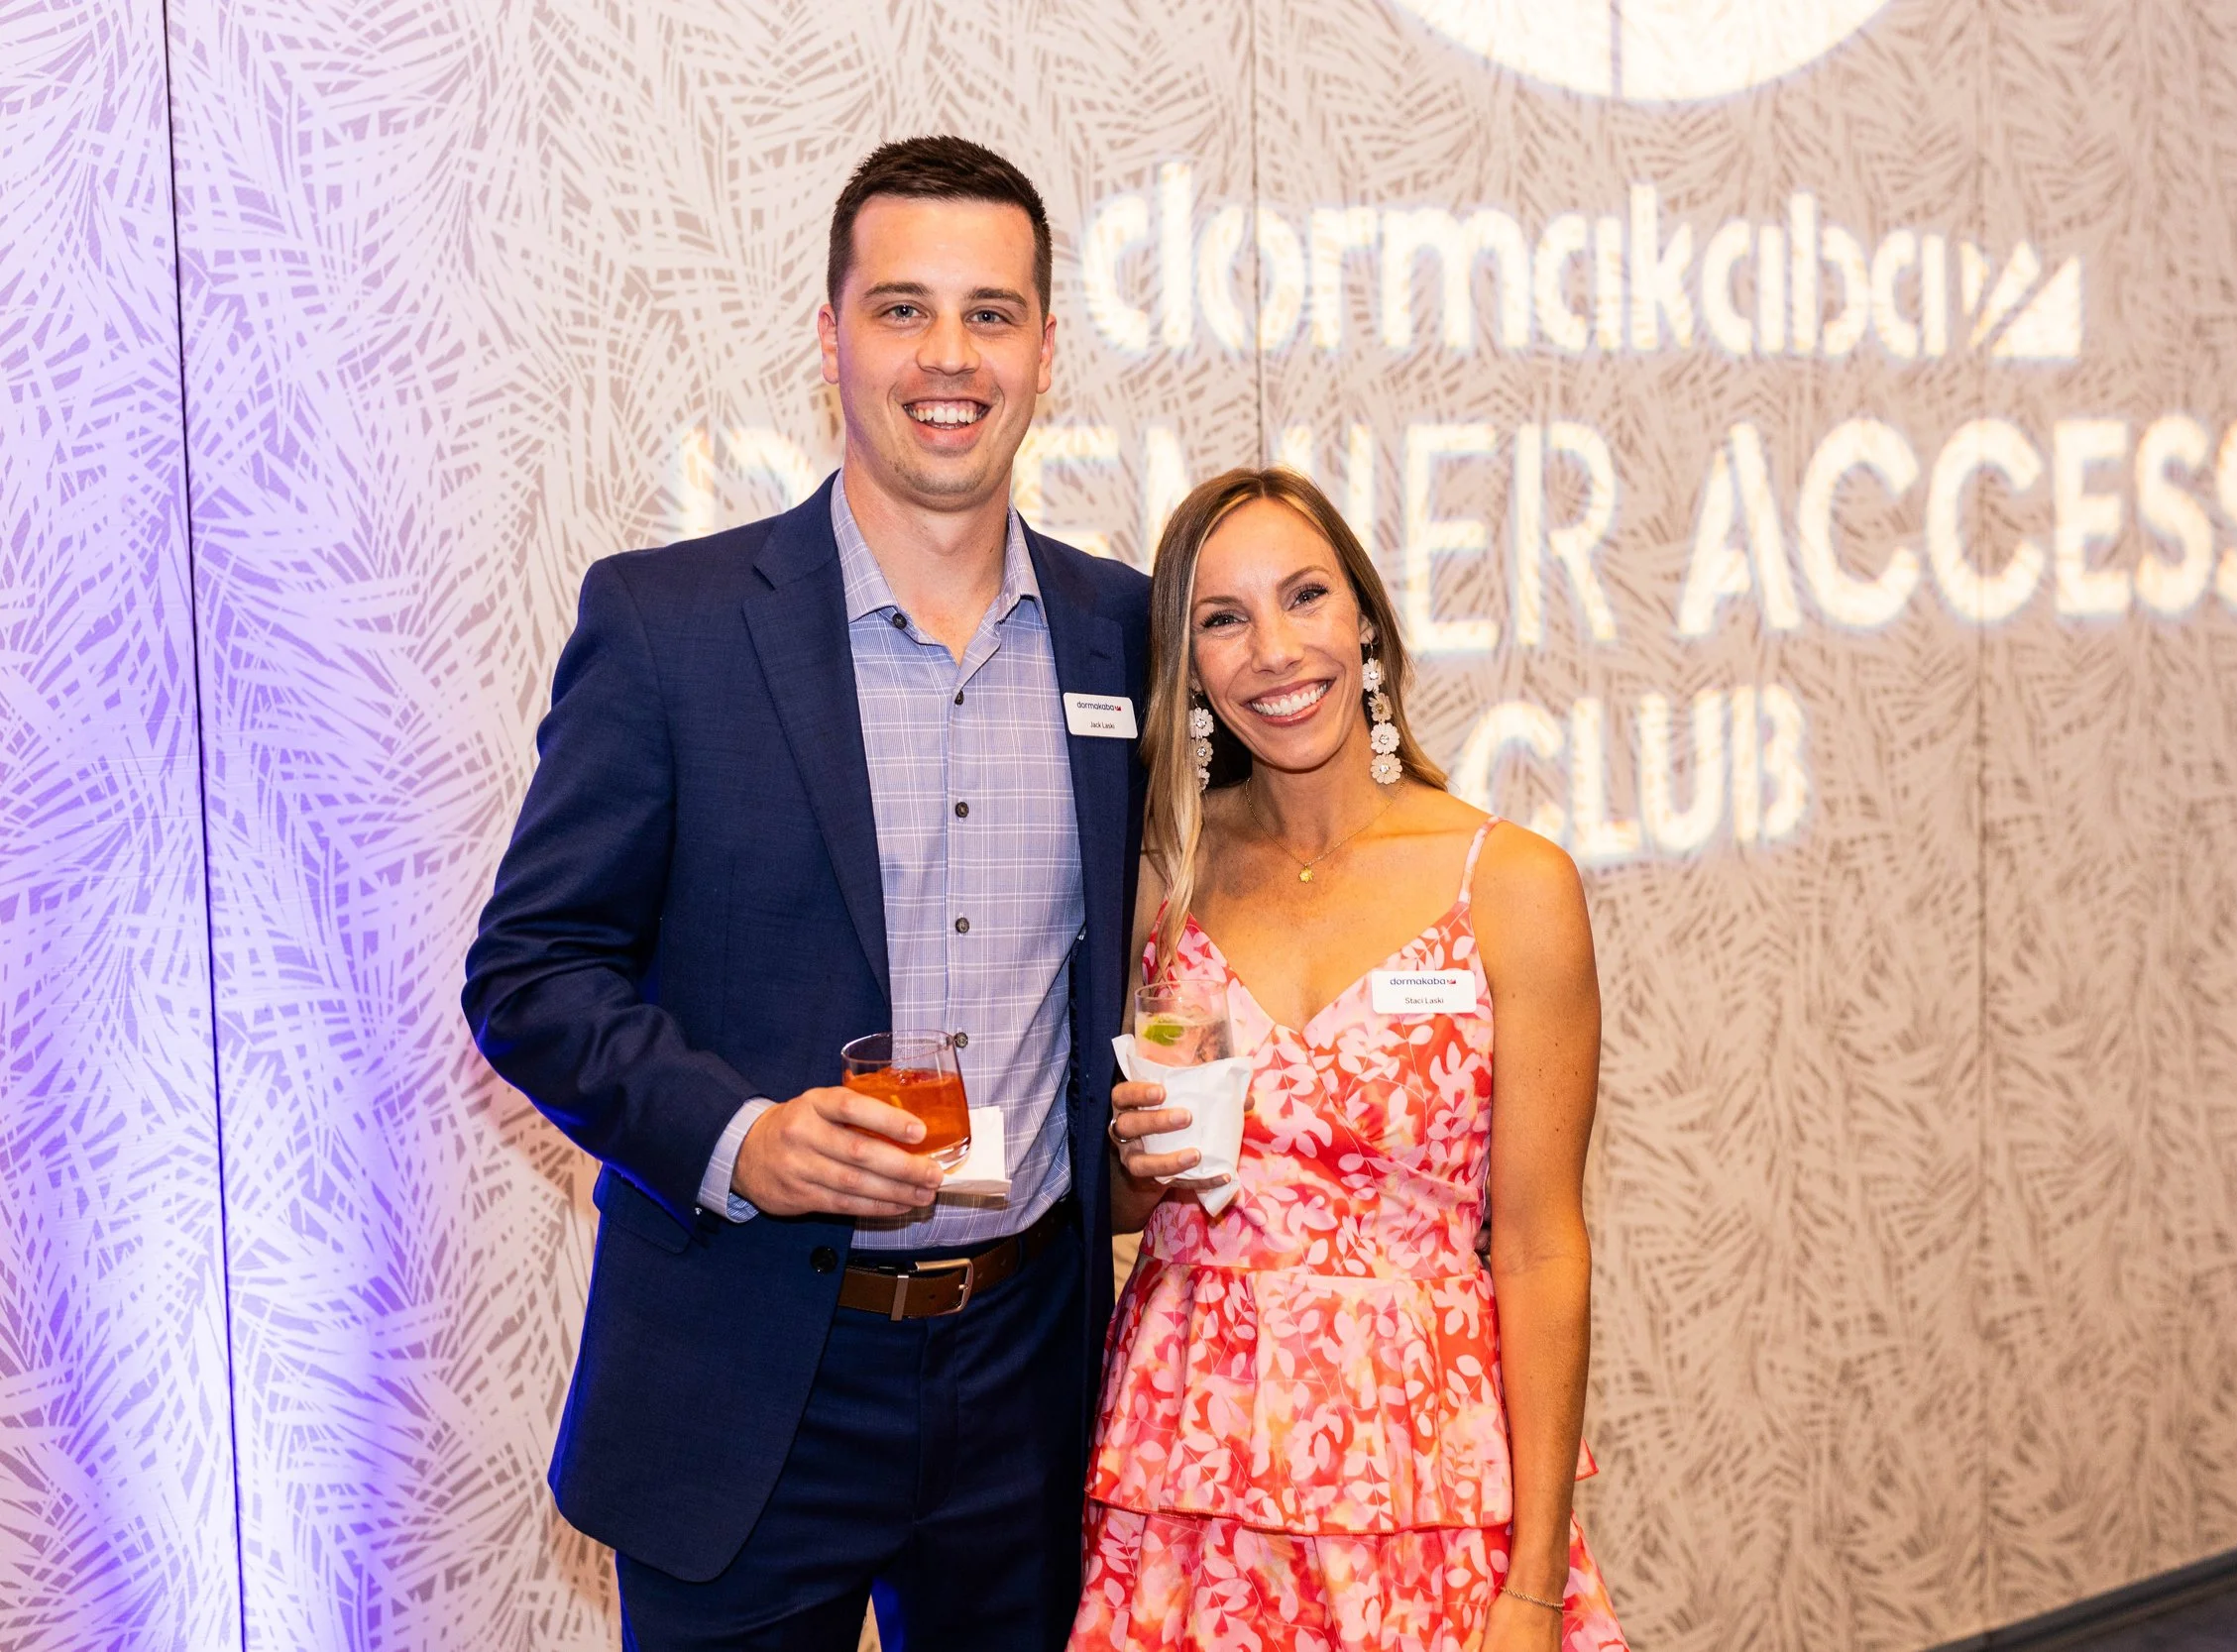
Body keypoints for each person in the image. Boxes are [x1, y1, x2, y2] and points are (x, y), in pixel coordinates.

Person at [462, 136, 1149, 1651]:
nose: (948, 355)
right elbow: (531, 971)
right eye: (902, 309)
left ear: (1046, 347)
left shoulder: (1122, 633)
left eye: (991, 311)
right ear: (828, 336)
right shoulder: (668, 624)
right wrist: (742, 1137)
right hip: (748, 1366)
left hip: (1030, 1371)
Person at [1071, 469, 1630, 1652]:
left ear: (1364, 618)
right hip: (1188, 1467)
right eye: (1222, 618)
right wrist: (1134, 1160)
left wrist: (1532, 1587)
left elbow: (1537, 1247)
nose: (1275, 651)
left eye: (1305, 597)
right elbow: (1128, 1201)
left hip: (1421, 1473)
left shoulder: (1510, 883)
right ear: (1190, 665)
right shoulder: (1161, 873)